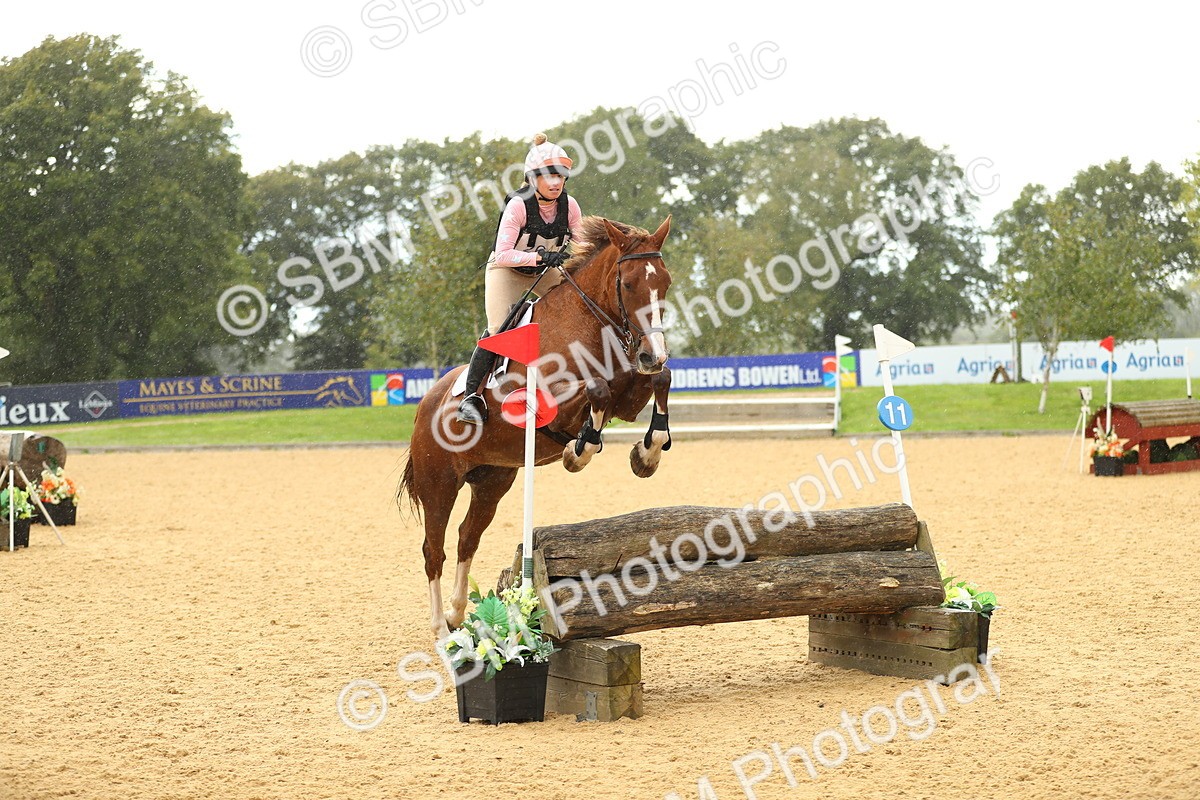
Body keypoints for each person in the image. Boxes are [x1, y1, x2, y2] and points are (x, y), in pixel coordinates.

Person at [456, 134, 583, 425]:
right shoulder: (518, 205)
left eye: (561, 177)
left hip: (545, 271)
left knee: (578, 308)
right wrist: (539, 257)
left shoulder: (570, 206)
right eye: (549, 176)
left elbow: (582, 245)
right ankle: (471, 396)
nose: (555, 183)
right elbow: (503, 255)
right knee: (498, 329)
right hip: (507, 272)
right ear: (533, 178)